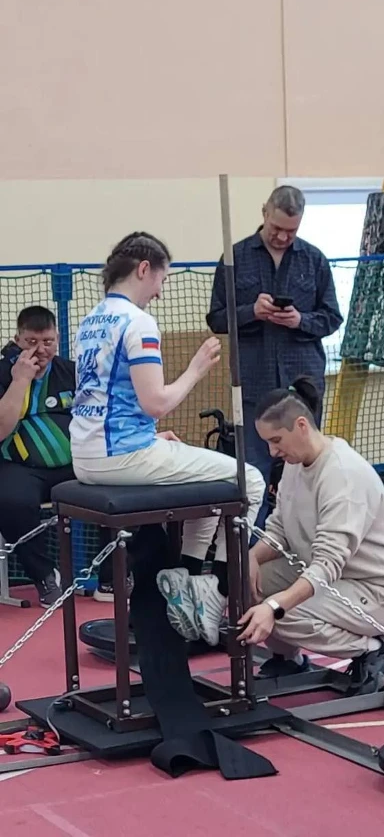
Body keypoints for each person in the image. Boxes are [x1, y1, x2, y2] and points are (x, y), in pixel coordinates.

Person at [69, 231, 266, 646]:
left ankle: (188, 579)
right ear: (144, 269)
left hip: (87, 455)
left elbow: (103, 399)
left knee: (206, 483)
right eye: (162, 279)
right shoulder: (139, 322)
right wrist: (196, 368)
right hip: (124, 456)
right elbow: (156, 402)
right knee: (249, 479)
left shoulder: (90, 320)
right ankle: (219, 592)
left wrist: (150, 435)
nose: (160, 291)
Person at [231, 375, 384, 695]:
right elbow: (280, 528)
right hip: (328, 575)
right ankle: (287, 658)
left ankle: (373, 649)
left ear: (301, 425)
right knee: (246, 586)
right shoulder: (295, 462)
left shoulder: (342, 475)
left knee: (278, 611)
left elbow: (328, 564)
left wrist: (274, 606)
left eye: (276, 440)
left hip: (374, 591)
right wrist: (252, 558)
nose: (272, 451)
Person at [207, 185, 343, 527]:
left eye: (291, 231)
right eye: (277, 228)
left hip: (303, 388)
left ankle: (308, 543)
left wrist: (301, 321)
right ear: (264, 212)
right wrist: (251, 312)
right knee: (254, 473)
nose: (283, 237)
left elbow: (332, 318)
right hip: (254, 386)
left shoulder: (314, 260)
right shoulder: (235, 258)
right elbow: (217, 319)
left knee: (308, 470)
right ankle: (252, 549)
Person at [0, 306, 75, 606]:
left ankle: (112, 578)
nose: (41, 350)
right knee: (10, 501)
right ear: (17, 339)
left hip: (74, 464)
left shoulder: (72, 371)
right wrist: (20, 380)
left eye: (47, 341)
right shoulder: (3, 373)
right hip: (19, 466)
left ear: (57, 339)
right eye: (31, 342)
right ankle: (44, 576)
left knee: (116, 481)